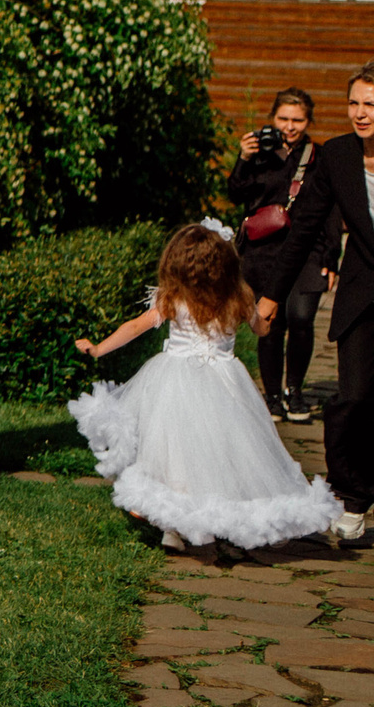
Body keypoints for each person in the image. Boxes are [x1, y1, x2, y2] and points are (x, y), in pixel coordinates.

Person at [73, 222, 340, 553]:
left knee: (175, 450)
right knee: (224, 452)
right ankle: (216, 518)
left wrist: (99, 348)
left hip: (173, 381)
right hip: (226, 385)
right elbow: (260, 329)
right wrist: (266, 320)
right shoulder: (239, 298)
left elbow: (135, 326)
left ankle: (171, 526)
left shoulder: (172, 298)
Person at [254, 65, 374, 542]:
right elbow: (303, 228)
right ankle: (353, 495)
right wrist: (270, 295)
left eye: (371, 105)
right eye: (355, 104)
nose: (361, 114)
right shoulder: (339, 156)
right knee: (354, 399)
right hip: (362, 297)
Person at [231, 88, 338, 423]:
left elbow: (333, 208)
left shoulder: (319, 156)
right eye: (283, 119)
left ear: (308, 121)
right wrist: (243, 159)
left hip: (308, 250)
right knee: (270, 323)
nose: (290, 126)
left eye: (298, 120)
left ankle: (295, 391)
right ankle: (273, 397)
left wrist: (331, 258)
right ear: (273, 118)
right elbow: (235, 194)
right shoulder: (260, 153)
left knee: (303, 318)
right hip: (264, 252)